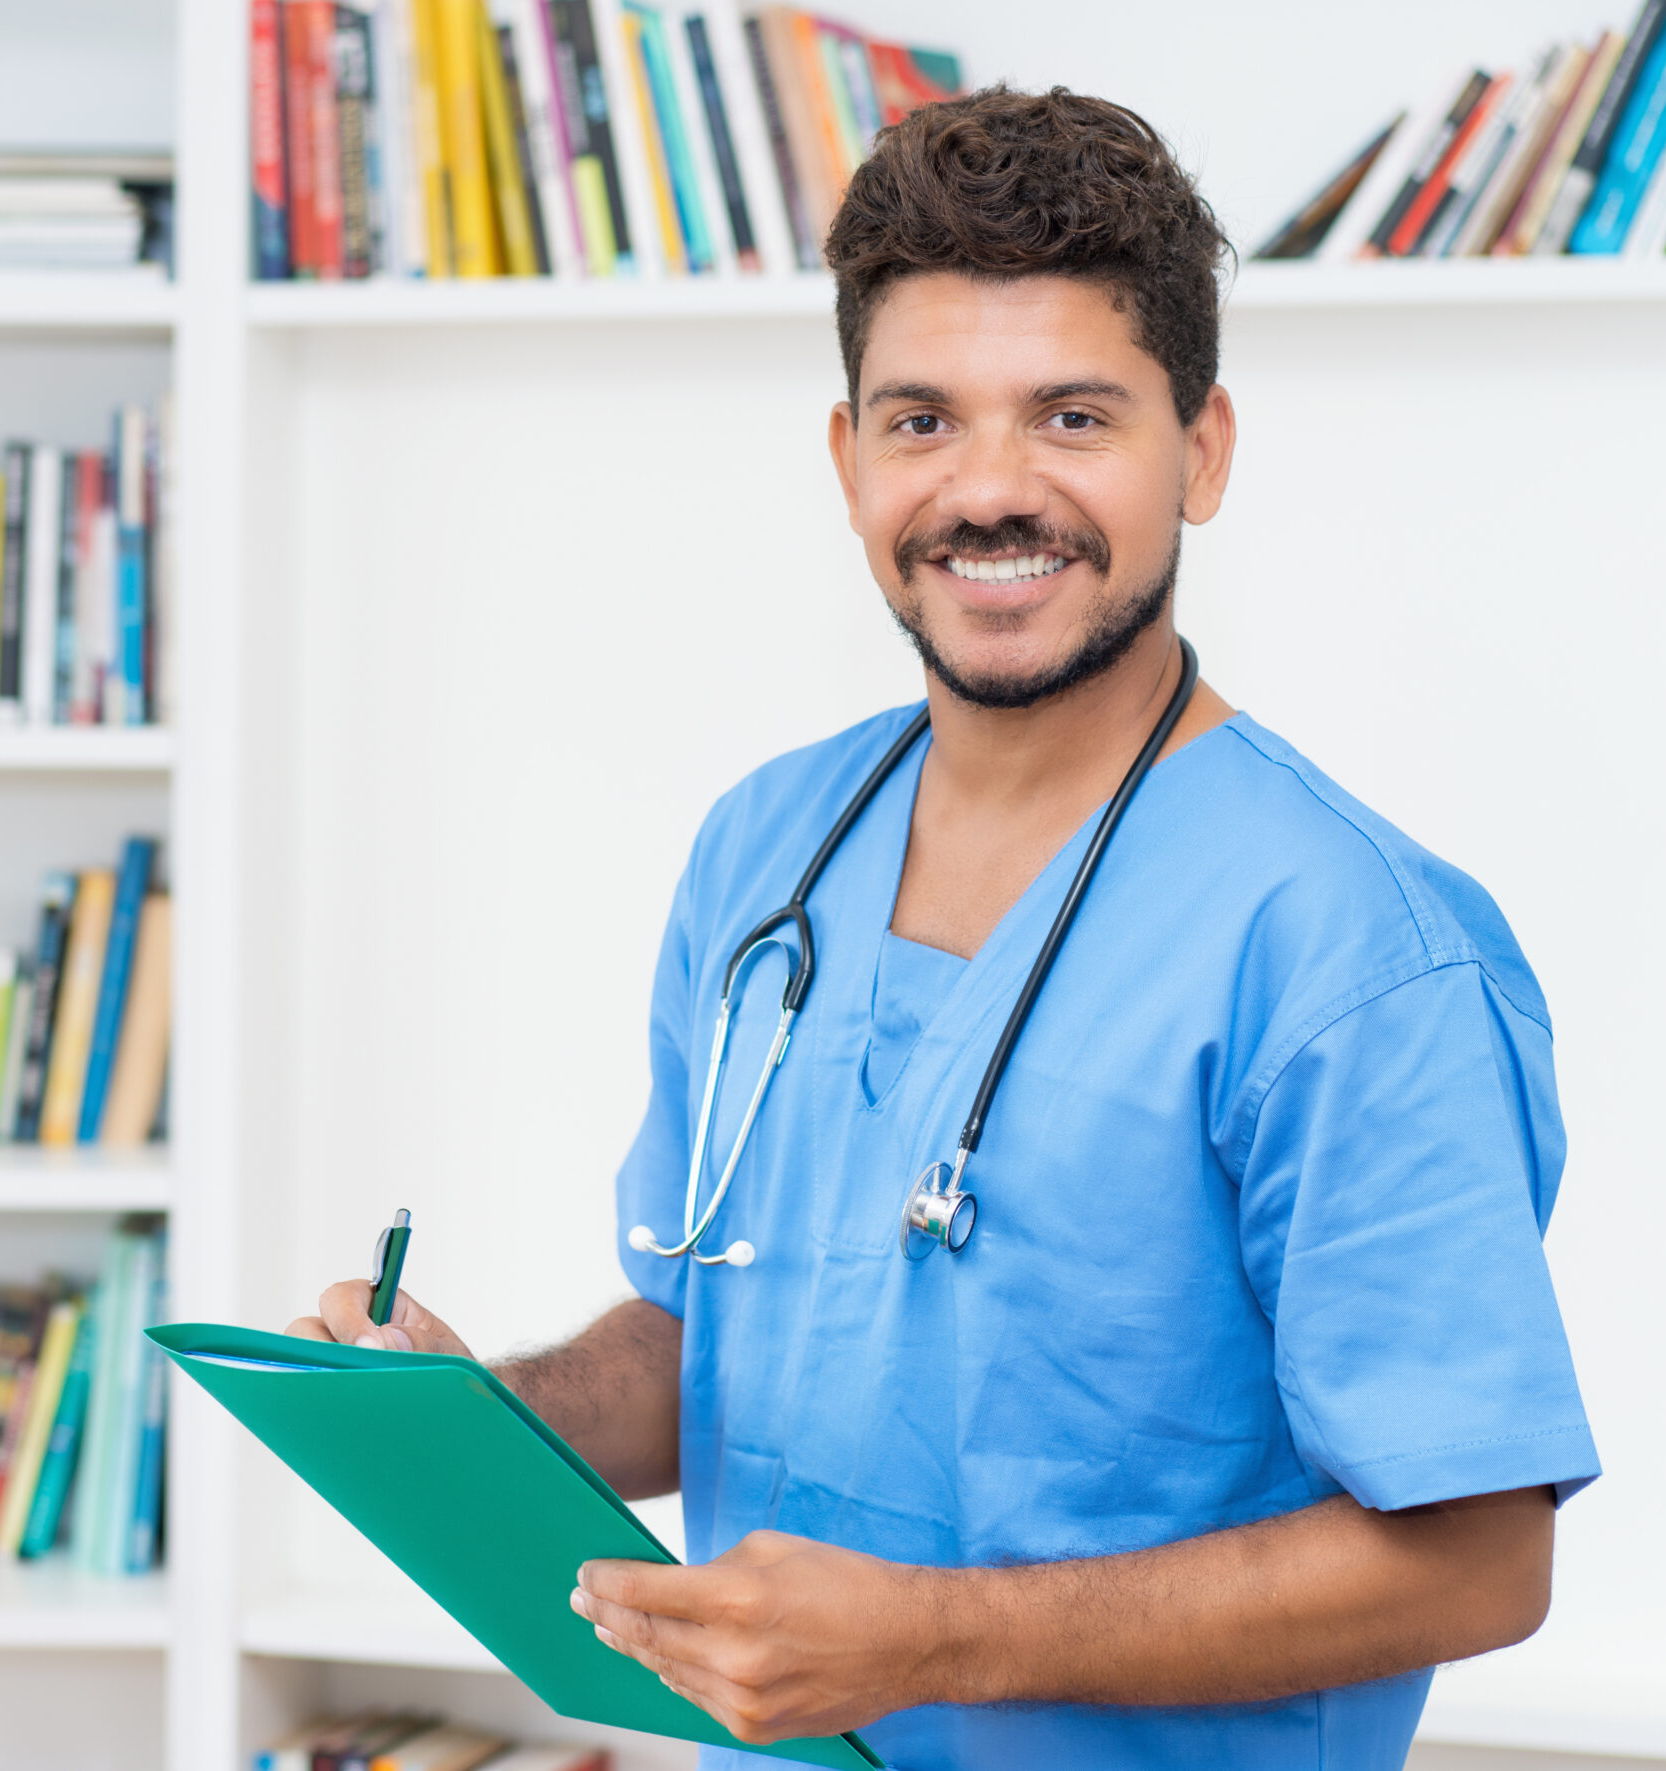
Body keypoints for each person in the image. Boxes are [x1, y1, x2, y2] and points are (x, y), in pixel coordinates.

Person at [291, 86, 1598, 1771]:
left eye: (1069, 418)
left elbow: (1483, 1556)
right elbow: (724, 1340)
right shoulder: (765, 852)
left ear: (1200, 451)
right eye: (921, 421)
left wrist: (933, 1640)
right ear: (848, 463)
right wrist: (480, 1425)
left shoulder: (1355, 950)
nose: (989, 491)